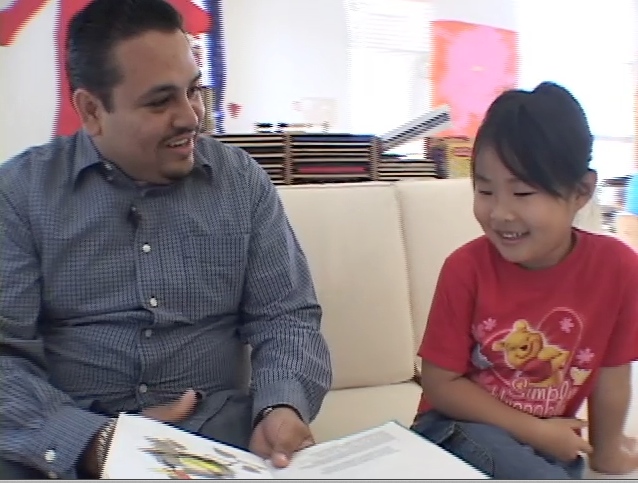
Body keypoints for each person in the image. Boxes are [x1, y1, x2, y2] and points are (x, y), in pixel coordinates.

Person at [0, 0, 332, 479]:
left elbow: (286, 317)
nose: (190, 116)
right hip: (70, 448)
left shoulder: (240, 182)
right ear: (91, 110)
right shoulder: (20, 194)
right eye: (160, 102)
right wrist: (94, 441)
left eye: (193, 90)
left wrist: (280, 406)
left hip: (218, 443)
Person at [411, 82, 638, 479]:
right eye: (485, 190)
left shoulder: (618, 269)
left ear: (582, 191)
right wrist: (536, 431)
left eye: (522, 193)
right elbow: (439, 383)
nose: (499, 213)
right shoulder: (466, 269)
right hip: (452, 429)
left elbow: (613, 374)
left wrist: (606, 453)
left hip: (545, 444)